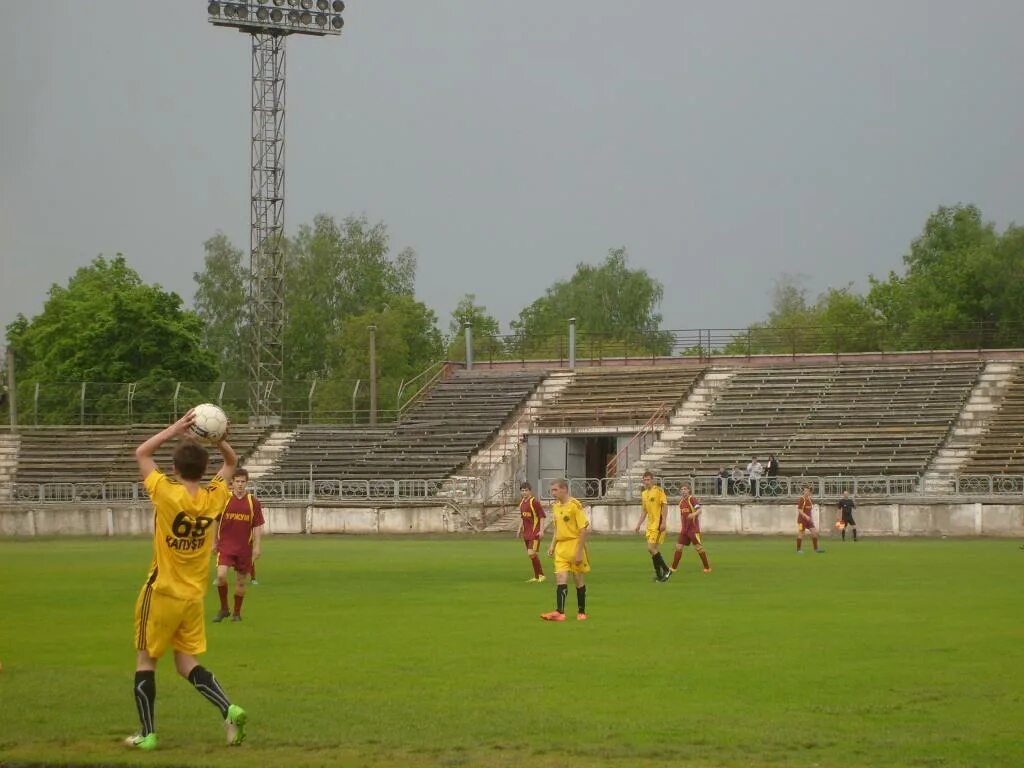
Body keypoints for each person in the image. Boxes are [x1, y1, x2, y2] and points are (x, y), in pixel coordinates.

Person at [126, 410, 247, 751]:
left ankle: (147, 734)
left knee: (146, 661)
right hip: (193, 597)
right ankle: (229, 708)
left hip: (162, 591)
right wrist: (218, 439)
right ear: (204, 469)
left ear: (175, 470)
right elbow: (233, 462)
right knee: (185, 662)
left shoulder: (166, 492)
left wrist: (175, 429)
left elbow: (142, 453)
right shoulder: (214, 496)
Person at [213, 468, 265, 622]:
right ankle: (224, 608)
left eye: (243, 481)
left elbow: (257, 526)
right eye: (237, 481)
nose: (240, 484)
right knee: (221, 576)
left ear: (247, 483)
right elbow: (215, 520)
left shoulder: (253, 502)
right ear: (232, 483)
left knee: (241, 582)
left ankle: (236, 613)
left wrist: (257, 546)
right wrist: (213, 542)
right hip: (226, 546)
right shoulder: (224, 500)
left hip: (244, 548)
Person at [540, 479, 590, 622]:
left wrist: (579, 552)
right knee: (560, 578)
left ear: (564, 489)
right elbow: (557, 529)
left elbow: (583, 529)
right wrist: (552, 545)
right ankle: (560, 612)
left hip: (574, 545)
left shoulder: (575, 506)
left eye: (555, 490)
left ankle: (582, 612)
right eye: (552, 490)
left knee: (578, 579)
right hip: (561, 547)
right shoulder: (555, 507)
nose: (552, 492)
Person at [633, 471, 671, 582]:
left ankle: (666, 569)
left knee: (650, 548)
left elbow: (665, 506)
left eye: (648, 479)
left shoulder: (658, 491)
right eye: (644, 480)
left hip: (657, 524)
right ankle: (659, 575)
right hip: (650, 525)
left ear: (652, 480)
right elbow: (644, 511)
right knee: (653, 550)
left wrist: (663, 522)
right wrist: (638, 524)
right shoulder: (644, 493)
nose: (646, 482)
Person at [672, 482, 712, 574]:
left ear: (689, 490)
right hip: (684, 530)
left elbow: (699, 510)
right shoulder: (681, 502)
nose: (683, 491)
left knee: (698, 548)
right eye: (681, 489)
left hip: (693, 529)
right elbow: (683, 516)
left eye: (685, 489)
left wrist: (693, 514)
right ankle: (673, 568)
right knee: (678, 547)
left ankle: (707, 567)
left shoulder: (692, 499)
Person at [514, 482, 547, 582]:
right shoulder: (522, 503)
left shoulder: (534, 502)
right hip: (526, 533)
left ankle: (541, 575)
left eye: (526, 490)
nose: (524, 492)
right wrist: (519, 528)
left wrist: (541, 530)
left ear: (530, 491)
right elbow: (523, 517)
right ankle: (537, 576)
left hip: (535, 532)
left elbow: (541, 516)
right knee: (531, 555)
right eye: (522, 490)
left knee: (531, 553)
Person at [796, 484, 823, 554]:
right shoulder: (802, 499)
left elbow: (809, 511)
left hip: (809, 521)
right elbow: (799, 510)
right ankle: (798, 550)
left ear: (809, 492)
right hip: (801, 521)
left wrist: (811, 518)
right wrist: (806, 516)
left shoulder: (810, 499)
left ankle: (816, 549)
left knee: (814, 532)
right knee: (801, 533)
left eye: (807, 491)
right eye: (805, 491)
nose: (806, 492)